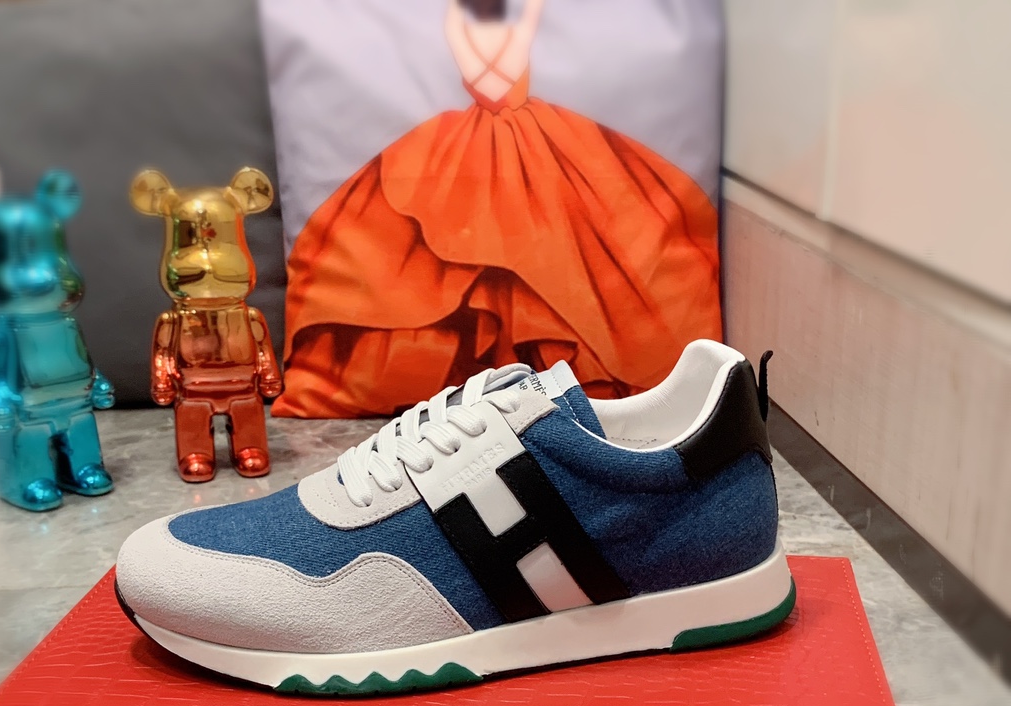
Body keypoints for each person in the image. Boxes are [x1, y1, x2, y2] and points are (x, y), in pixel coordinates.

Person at [273, 0, 722, 419]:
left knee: (485, 242)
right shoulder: (518, 25)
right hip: (529, 135)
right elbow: (507, 62)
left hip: (475, 138)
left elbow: (481, 74)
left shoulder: (459, 27)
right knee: (539, 243)